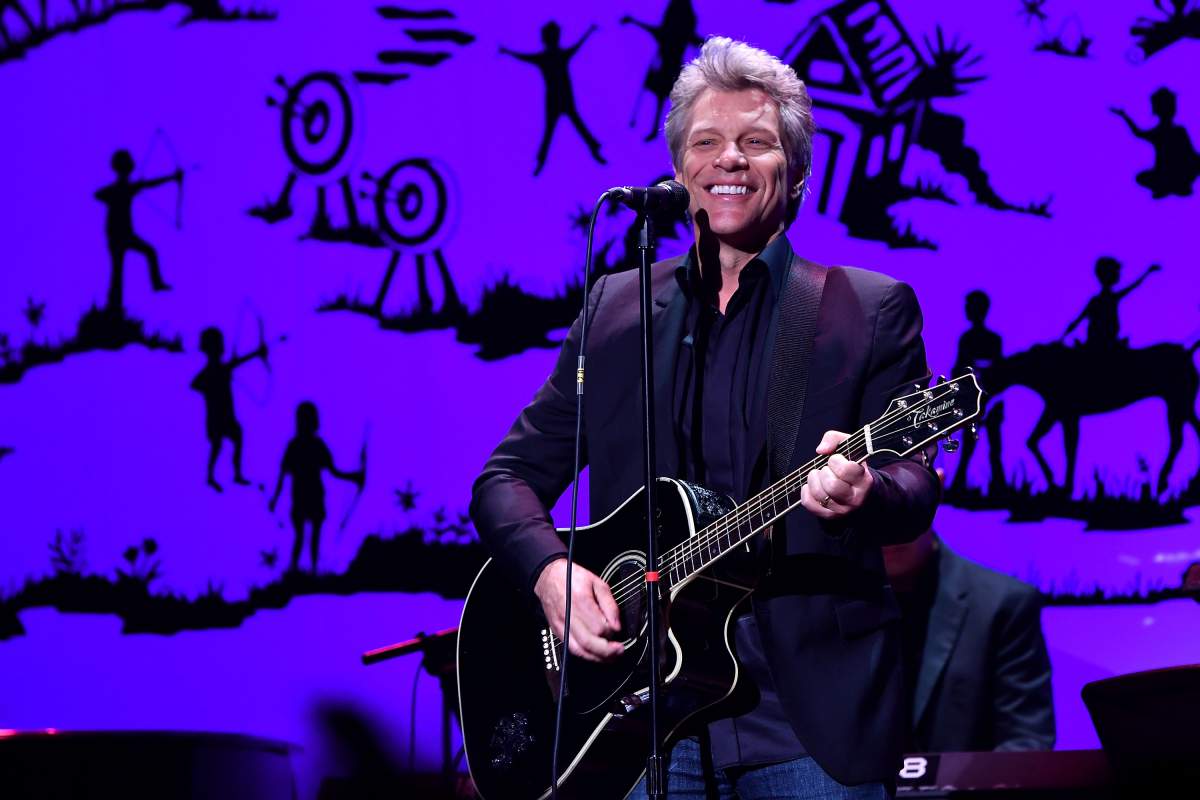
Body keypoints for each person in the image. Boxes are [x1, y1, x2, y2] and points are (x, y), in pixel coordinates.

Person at [471, 37, 939, 798]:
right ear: (680, 171)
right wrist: (551, 574)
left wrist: (869, 492)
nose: (730, 160)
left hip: (808, 723)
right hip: (638, 718)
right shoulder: (618, 308)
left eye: (756, 143)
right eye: (707, 143)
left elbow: (913, 483)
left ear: (796, 174)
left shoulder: (867, 307)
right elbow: (507, 477)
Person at [883, 526, 1055, 752]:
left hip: (970, 785)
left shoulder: (1003, 604)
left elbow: (1027, 739)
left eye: (900, 495)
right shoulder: (824, 603)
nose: (894, 526)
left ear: (934, 495)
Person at [499, 21, 606, 175]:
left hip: (561, 98)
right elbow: (524, 57)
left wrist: (507, 52)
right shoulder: (551, 57)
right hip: (557, 99)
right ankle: (544, 160)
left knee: (559, 129)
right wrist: (507, 52)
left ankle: (590, 149)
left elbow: (577, 45)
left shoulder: (553, 56)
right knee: (559, 129)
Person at [269, 401, 363, 573]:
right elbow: (334, 472)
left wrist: (354, 477)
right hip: (308, 496)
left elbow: (284, 474)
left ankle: (305, 570)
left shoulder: (298, 445)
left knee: (307, 536)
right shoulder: (306, 445)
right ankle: (303, 570)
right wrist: (354, 477)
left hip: (307, 496)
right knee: (307, 536)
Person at [94, 149, 181, 311]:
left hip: (123, 234)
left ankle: (154, 285)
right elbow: (98, 194)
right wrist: (172, 178)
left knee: (144, 255)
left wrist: (172, 178)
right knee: (118, 271)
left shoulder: (125, 188)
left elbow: (149, 184)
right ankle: (115, 306)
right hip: (117, 235)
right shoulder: (120, 188)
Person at [190, 327, 265, 492]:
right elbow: (194, 384)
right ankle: (211, 476)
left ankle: (235, 474)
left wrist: (257, 353)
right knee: (217, 446)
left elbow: (237, 362)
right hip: (216, 417)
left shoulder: (220, 369)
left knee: (237, 438)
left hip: (226, 416)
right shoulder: (211, 371)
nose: (221, 348)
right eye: (218, 345)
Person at [1062, 257, 1160, 351]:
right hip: (1100, 343)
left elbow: (1077, 320)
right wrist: (1147, 273)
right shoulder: (1102, 300)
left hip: (1105, 342)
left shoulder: (1100, 300)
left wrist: (1147, 273)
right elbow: (1078, 320)